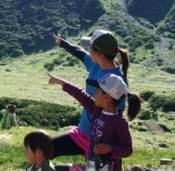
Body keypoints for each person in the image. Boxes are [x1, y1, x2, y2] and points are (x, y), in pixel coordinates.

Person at [47, 72, 142, 171]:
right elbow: (80, 94)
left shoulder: (119, 122)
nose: (94, 94)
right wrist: (61, 82)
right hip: (93, 169)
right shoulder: (97, 110)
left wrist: (109, 148)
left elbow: (128, 149)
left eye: (97, 91)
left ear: (107, 97)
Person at [51, 30, 130, 160]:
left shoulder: (117, 81)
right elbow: (80, 53)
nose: (88, 50)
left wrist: (109, 145)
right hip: (82, 131)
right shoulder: (95, 64)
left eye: (90, 48)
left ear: (98, 54)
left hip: (97, 140)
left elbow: (118, 112)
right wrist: (62, 43)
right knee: (46, 148)